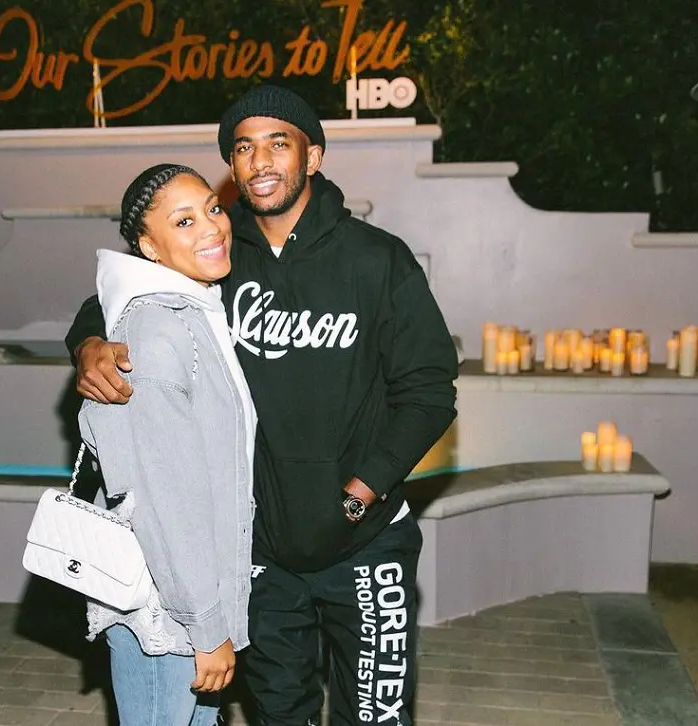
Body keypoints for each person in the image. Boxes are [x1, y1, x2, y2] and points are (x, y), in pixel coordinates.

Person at [66, 85, 459, 725]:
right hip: (259, 556)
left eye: (280, 142)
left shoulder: (377, 258)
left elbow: (430, 388)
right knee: (279, 714)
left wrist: (364, 488)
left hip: (366, 544)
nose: (261, 160)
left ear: (314, 156)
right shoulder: (221, 254)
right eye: (244, 147)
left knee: (377, 718)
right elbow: (126, 290)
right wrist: (88, 342)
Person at [77, 163, 257, 726]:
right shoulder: (156, 333)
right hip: (165, 610)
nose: (210, 227)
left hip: (183, 598)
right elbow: (165, 499)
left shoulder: (197, 310)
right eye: (184, 221)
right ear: (148, 247)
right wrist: (206, 627)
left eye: (212, 208)